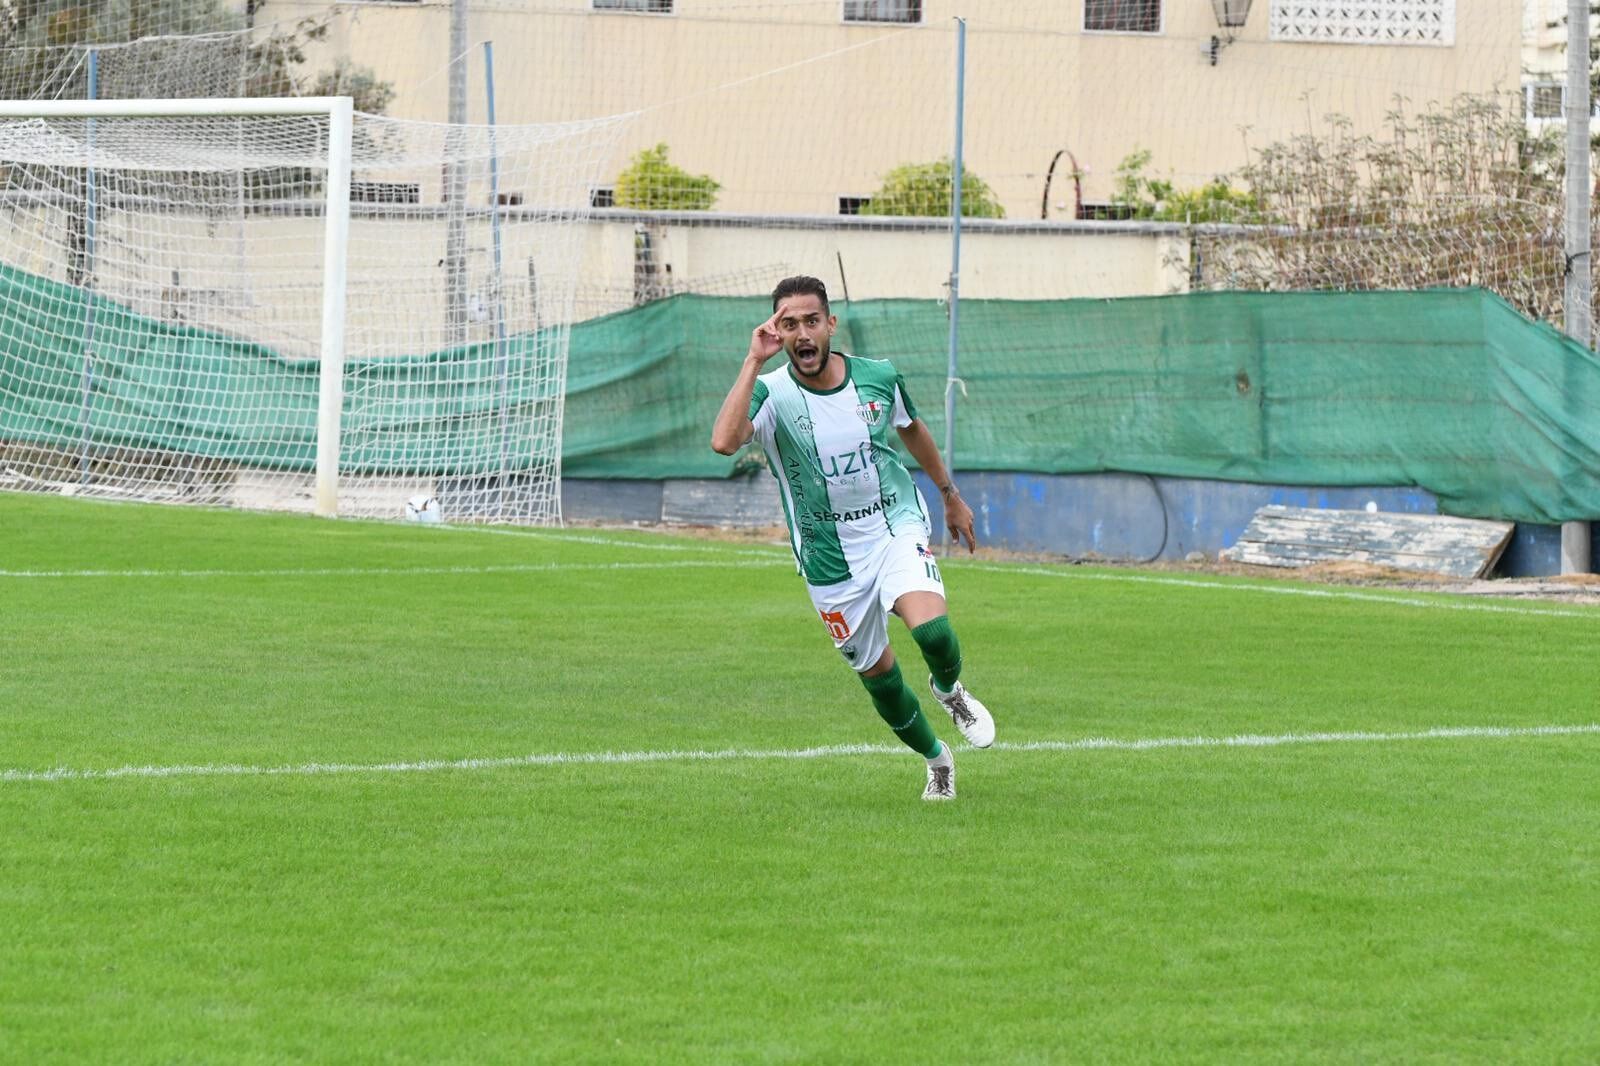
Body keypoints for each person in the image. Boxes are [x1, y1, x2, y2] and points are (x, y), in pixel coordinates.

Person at [710, 275, 995, 801]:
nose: (801, 333)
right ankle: (938, 761)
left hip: (893, 526)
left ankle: (949, 691)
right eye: (788, 324)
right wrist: (753, 361)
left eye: (811, 321)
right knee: (880, 680)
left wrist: (949, 492)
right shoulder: (771, 393)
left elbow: (911, 427)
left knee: (932, 633)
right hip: (828, 560)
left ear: (830, 324)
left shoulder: (878, 377)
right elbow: (724, 441)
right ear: (777, 331)